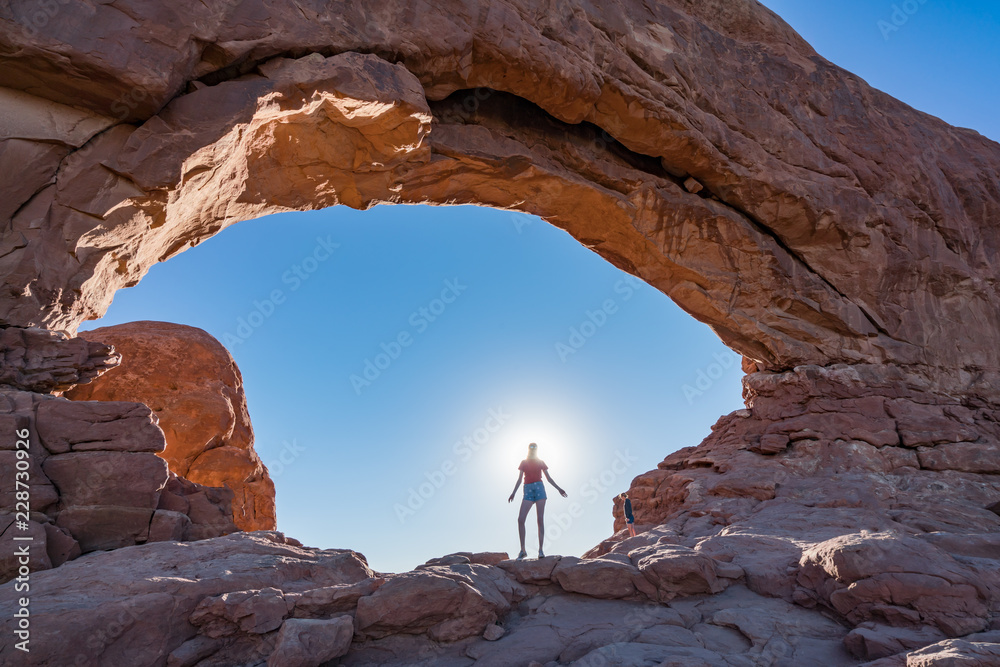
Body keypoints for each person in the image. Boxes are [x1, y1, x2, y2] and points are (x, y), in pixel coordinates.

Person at [508, 442, 567, 559]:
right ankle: (523, 550)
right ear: (528, 449)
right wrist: (513, 492)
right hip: (528, 490)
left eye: (535, 447)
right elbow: (520, 479)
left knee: (540, 519)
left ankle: (540, 550)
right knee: (521, 519)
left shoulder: (541, 462)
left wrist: (559, 488)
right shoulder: (523, 462)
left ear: (537, 449)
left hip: (539, 489)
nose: (533, 449)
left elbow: (548, 478)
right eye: (531, 447)